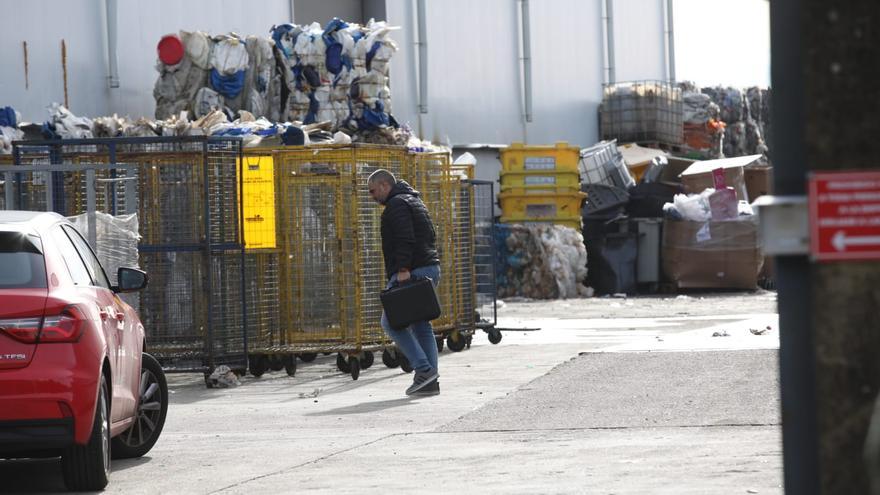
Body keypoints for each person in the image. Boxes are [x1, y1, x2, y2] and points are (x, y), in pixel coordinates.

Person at [368, 169, 441, 396]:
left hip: (412, 271)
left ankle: (423, 369)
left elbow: (405, 238)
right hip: (428, 267)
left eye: (372, 191)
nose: (372, 196)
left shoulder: (397, 205)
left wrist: (403, 269)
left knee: (391, 323)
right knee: (421, 325)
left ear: (383, 185)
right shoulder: (413, 199)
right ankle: (429, 382)